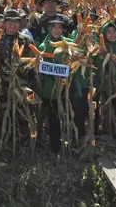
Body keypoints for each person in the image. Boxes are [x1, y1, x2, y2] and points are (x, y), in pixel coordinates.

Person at [38, 19, 87, 152]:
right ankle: (55, 145)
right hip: (51, 88)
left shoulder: (68, 43)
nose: (57, 30)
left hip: (68, 86)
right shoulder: (44, 45)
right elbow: (40, 62)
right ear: (49, 28)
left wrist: (76, 58)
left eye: (59, 27)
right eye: (54, 27)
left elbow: (81, 53)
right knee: (54, 115)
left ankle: (72, 142)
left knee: (70, 113)